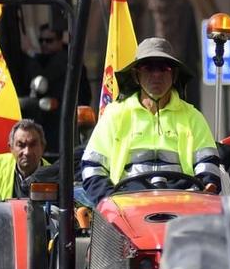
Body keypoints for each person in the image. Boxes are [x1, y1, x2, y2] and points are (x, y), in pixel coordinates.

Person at [78, 38, 222, 206]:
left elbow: (208, 167)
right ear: (136, 75)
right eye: (149, 68)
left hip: (182, 209)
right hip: (126, 209)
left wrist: (205, 188)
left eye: (163, 68)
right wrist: (110, 201)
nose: (156, 75)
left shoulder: (193, 117)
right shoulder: (114, 115)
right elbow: (92, 167)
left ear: (174, 75)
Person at [0, 119, 52, 202]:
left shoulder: (53, 175)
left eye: (33, 145)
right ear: (11, 148)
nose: (27, 152)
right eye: (21, 145)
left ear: (43, 147)